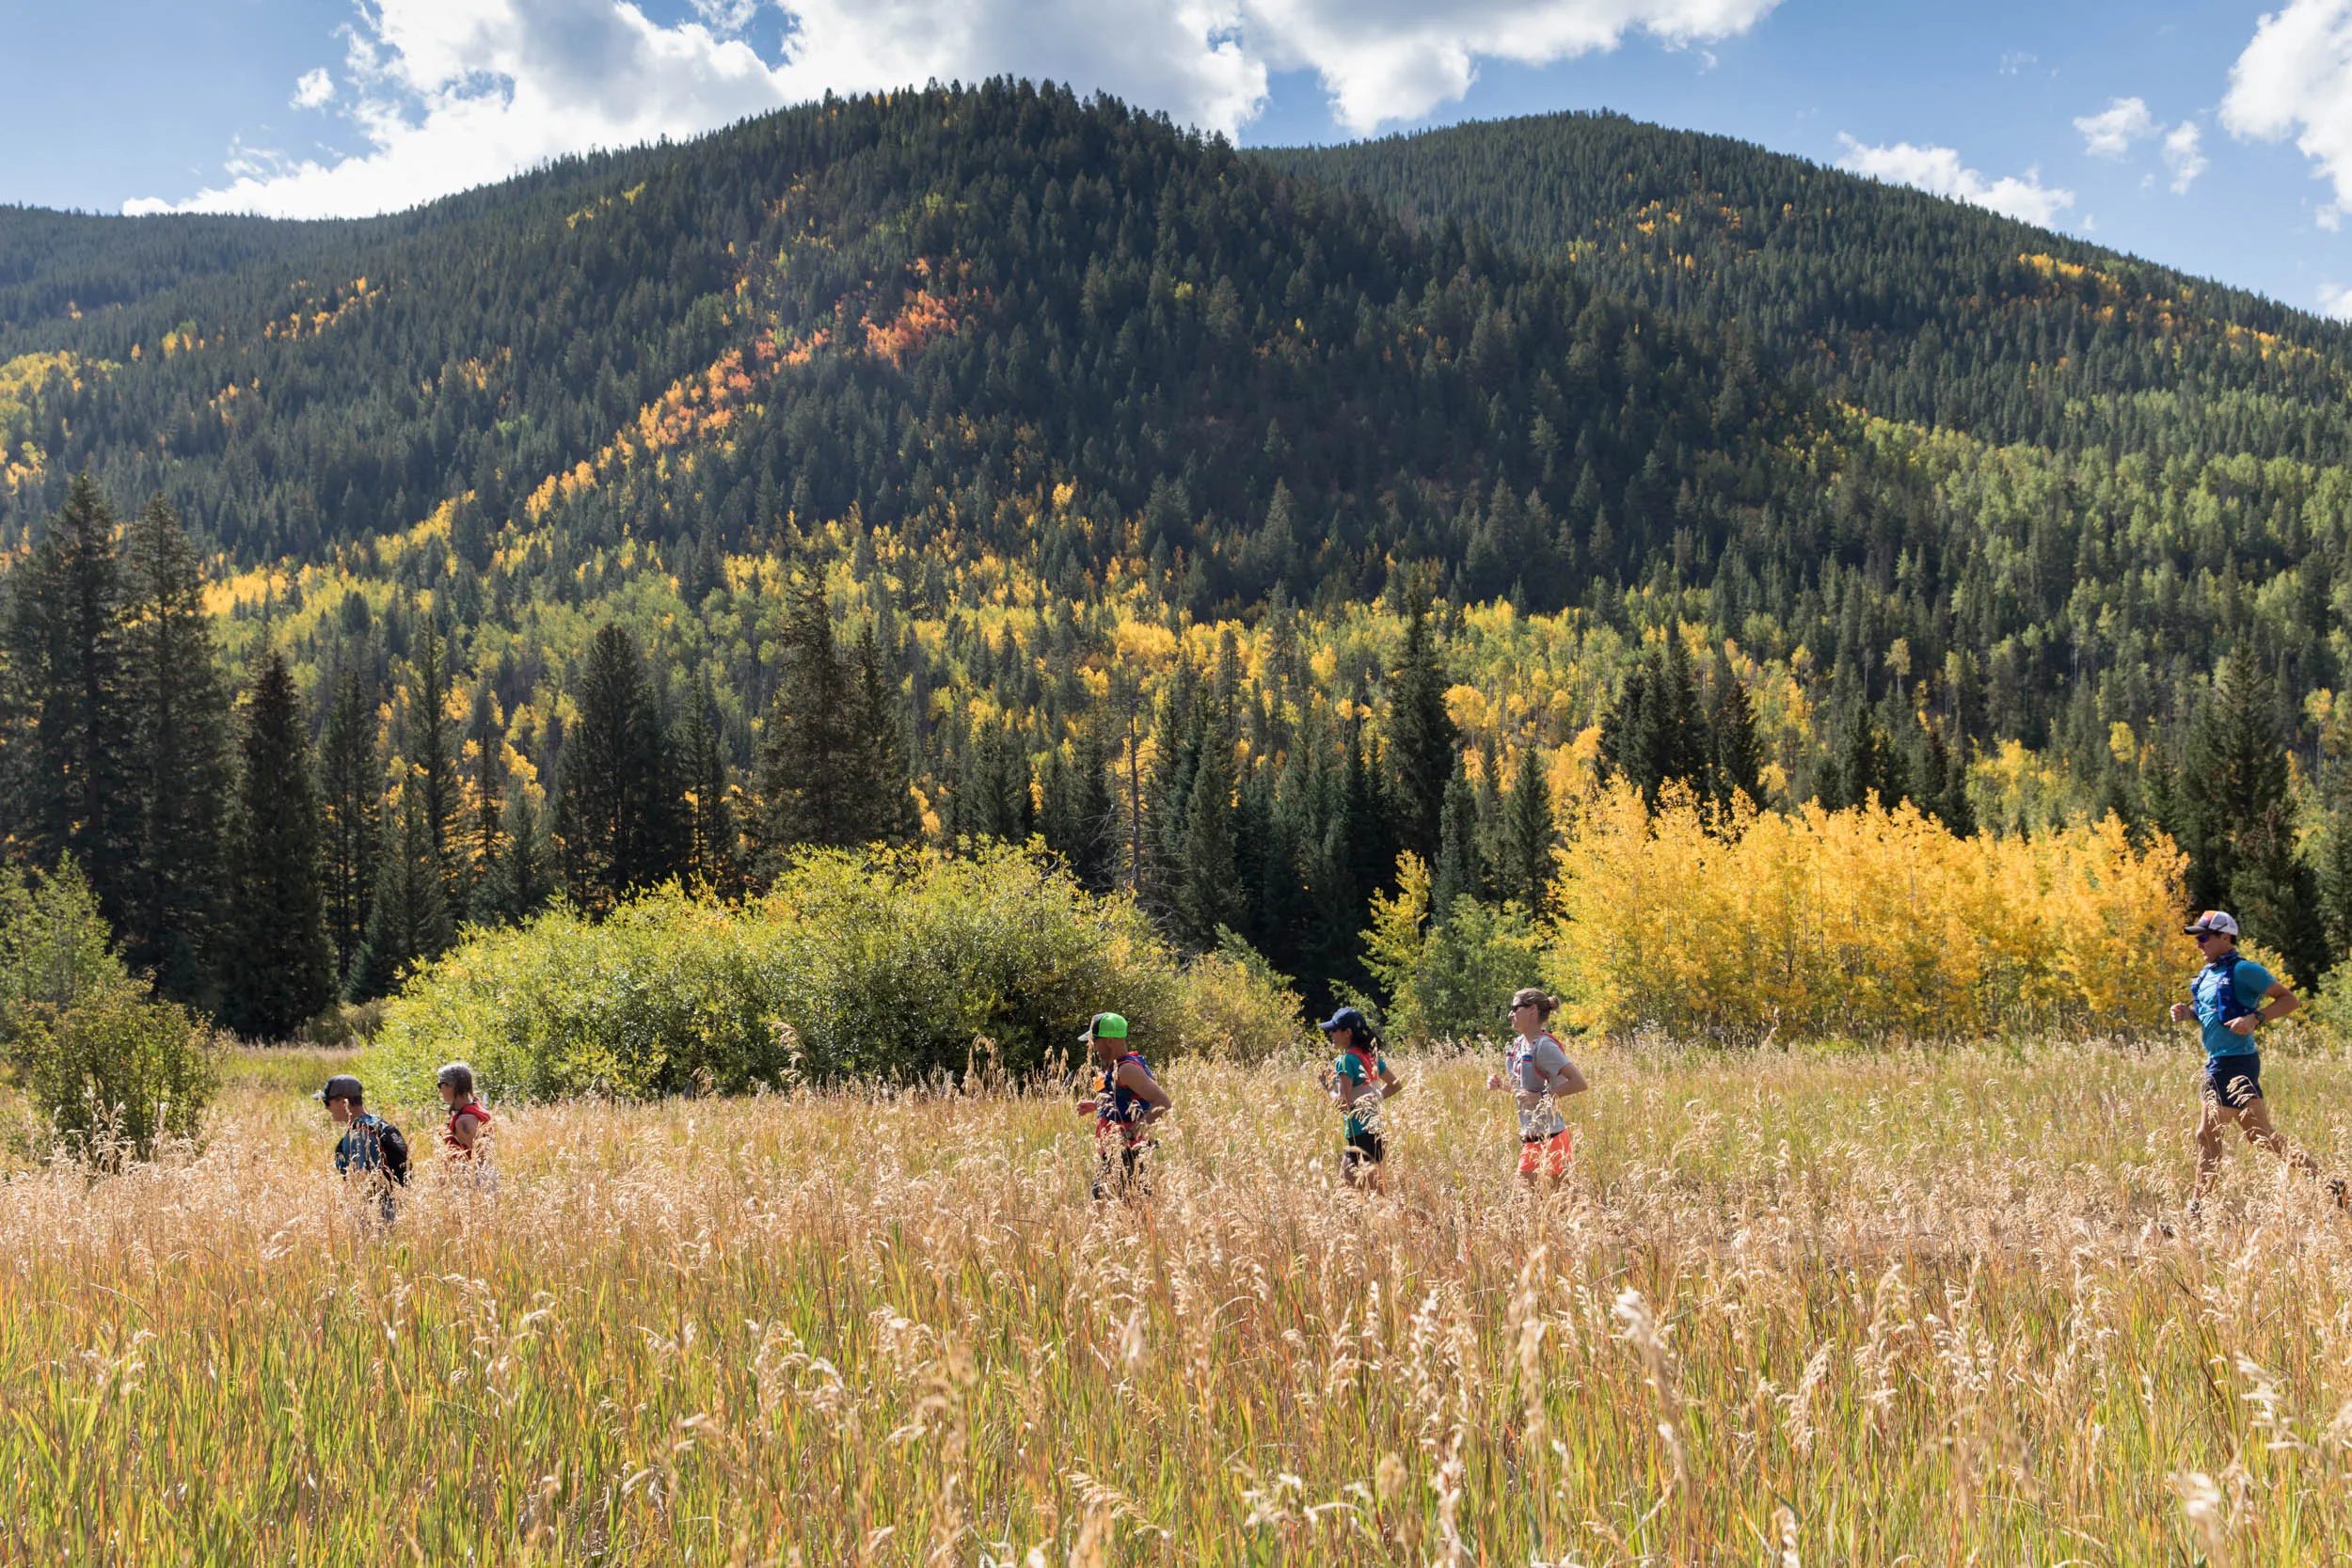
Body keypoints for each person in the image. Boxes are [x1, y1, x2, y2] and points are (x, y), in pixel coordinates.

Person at [2168, 910, 2324, 1199]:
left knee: (2207, 1134)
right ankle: (2331, 1187)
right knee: (2260, 1136)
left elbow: (2290, 1000)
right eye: (2197, 939)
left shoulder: (2244, 970)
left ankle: (2197, 1209)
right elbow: (2214, 1015)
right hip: (2223, 1060)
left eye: (2203, 938)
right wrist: (2188, 1014)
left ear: (2225, 937)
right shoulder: (2208, 974)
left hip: (2233, 1061)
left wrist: (2256, 1018)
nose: (2199, 944)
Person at [1486, 988, 1587, 1186]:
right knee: (1539, 1203)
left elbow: (1580, 1083)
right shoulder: (1518, 1045)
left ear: (1532, 1010)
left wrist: (1540, 1097)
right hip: (1531, 1136)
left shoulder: (1545, 1046)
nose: (1510, 1014)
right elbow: (1526, 1091)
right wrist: (1502, 1086)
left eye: (1515, 1008)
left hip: (1551, 1137)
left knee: (1560, 1201)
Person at [1074, 1012, 1170, 1200]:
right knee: (1105, 1200)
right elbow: (1126, 1101)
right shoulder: (1116, 1067)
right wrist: (1095, 1105)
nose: (1093, 1047)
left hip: (1130, 1155)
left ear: (1109, 1041)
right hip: (1117, 1153)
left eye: (1095, 1041)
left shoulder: (1127, 1069)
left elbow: (1163, 1102)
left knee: (1124, 1209)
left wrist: (1131, 1133)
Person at [1317, 1006, 1405, 1192]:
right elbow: (1395, 1084)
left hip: (1360, 1134)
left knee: (1363, 1194)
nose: (1331, 1033)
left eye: (1335, 1029)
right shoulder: (1370, 1056)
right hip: (1375, 1131)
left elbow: (1343, 1104)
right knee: (1366, 1191)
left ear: (1348, 1032)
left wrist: (1328, 1087)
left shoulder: (1346, 1060)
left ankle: (1423, 1221)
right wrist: (1372, 1100)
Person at [317, 1073, 405, 1223]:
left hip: (375, 1217)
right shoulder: (377, 1123)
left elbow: (360, 1183)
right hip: (394, 1210)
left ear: (342, 1101)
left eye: (327, 1102)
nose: (327, 1108)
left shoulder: (358, 1136)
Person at [437, 1061, 493, 1162]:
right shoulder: (475, 1106)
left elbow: (481, 1160)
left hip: (471, 1176)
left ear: (451, 1086)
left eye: (440, 1085)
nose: (440, 1090)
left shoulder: (465, 1120)